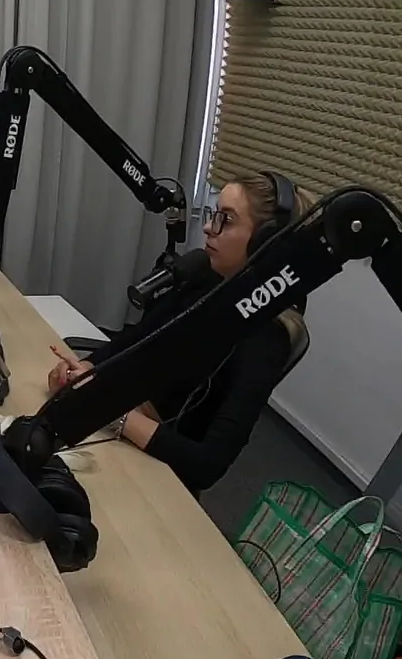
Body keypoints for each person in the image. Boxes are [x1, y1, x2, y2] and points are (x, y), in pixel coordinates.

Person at [47, 173, 316, 493]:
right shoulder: (208, 278)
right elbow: (138, 338)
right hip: (123, 422)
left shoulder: (266, 339)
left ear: (266, 241)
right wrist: (87, 369)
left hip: (156, 469)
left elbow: (207, 464)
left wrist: (109, 410)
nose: (208, 227)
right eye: (214, 214)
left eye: (226, 220)